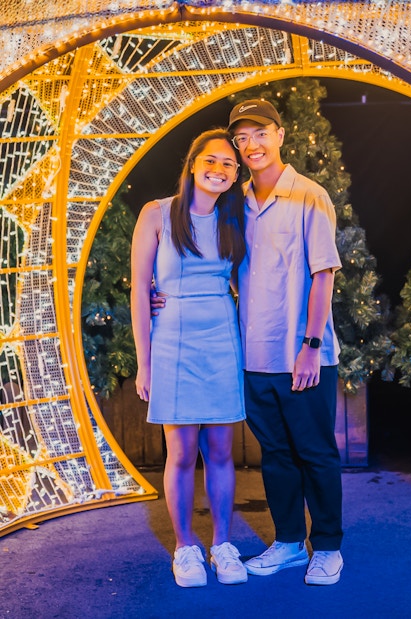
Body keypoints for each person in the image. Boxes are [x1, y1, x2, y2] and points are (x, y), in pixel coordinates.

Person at [227, 99, 344, 585]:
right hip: (253, 358)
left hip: (302, 356)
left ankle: (330, 548)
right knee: (273, 456)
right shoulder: (233, 201)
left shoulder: (309, 195)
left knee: (315, 453)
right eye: (241, 138)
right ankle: (291, 543)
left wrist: (311, 345)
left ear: (279, 135)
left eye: (259, 133)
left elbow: (324, 274)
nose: (250, 145)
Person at [131, 128, 248, 588]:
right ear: (194, 163)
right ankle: (185, 548)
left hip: (221, 334)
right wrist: (145, 361)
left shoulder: (234, 219)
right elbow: (141, 289)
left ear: (236, 175)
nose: (219, 169)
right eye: (212, 160)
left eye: (228, 164)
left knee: (220, 451)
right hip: (172, 338)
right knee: (179, 452)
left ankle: (222, 544)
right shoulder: (157, 213)